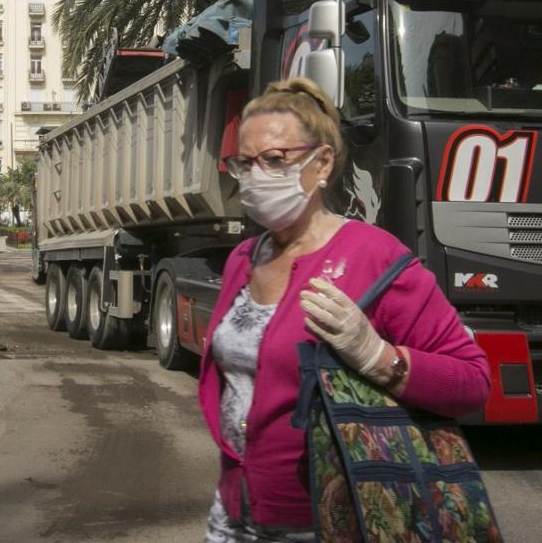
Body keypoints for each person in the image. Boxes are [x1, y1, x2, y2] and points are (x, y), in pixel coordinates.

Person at [200, 77, 490, 542]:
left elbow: (472, 382)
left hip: (329, 522)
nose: (256, 175)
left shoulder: (373, 255)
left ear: (322, 163)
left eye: (274, 160)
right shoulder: (244, 258)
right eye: (244, 163)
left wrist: (377, 356)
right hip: (235, 515)